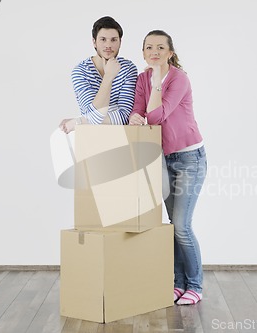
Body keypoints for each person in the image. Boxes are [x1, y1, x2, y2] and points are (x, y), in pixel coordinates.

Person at [129, 30, 207, 305]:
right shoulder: (142, 79)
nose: (155, 52)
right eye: (149, 47)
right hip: (162, 158)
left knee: (182, 226)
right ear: (143, 53)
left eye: (161, 47)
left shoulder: (179, 79)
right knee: (172, 225)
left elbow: (158, 116)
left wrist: (157, 88)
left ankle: (195, 286)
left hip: (189, 158)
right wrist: (137, 116)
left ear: (170, 52)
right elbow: (138, 112)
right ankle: (178, 283)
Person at [60, 16, 137, 133]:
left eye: (113, 40)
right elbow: (93, 115)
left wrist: (79, 121)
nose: (108, 45)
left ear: (120, 42)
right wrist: (108, 77)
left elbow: (124, 117)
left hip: (123, 139)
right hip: (91, 139)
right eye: (103, 39)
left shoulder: (128, 68)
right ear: (94, 42)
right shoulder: (80, 71)